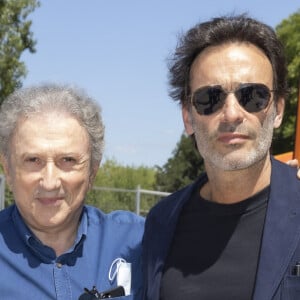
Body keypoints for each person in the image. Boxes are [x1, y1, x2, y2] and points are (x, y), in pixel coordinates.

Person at [142, 14, 300, 300]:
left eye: (253, 96)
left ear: (277, 110)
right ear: (188, 118)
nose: (231, 113)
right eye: (209, 98)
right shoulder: (160, 222)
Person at [0, 84, 144, 299]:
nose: (50, 182)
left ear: (92, 172)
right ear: (8, 170)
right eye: (33, 160)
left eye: (67, 160)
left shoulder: (142, 240)